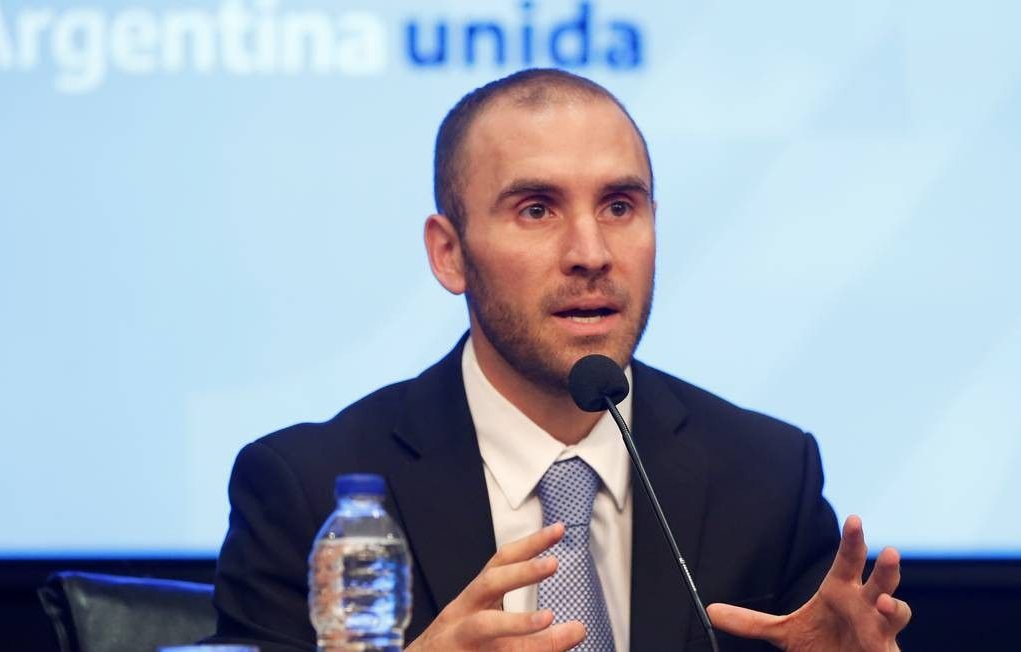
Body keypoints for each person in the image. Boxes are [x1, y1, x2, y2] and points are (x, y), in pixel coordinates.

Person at [206, 69, 910, 651]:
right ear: (449, 253)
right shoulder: (305, 492)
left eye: (620, 206)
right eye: (537, 209)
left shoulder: (767, 477)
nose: (591, 253)